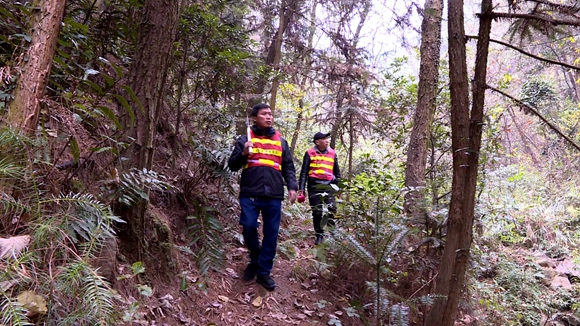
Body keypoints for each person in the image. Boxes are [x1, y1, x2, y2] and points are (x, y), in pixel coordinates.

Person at [228, 103, 297, 291]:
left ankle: (263, 272)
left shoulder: (281, 142)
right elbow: (232, 165)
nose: (269, 117)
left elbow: (289, 167)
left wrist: (292, 186)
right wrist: (243, 153)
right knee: (249, 226)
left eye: (270, 114)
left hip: (274, 194)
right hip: (250, 192)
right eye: (264, 114)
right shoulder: (245, 139)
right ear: (255, 118)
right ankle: (255, 257)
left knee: (271, 234)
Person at [298, 132, 341, 245]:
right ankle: (319, 234)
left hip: (329, 186)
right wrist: (301, 189)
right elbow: (304, 173)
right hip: (314, 187)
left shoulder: (332, 153)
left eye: (327, 138)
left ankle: (333, 232)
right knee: (317, 212)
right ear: (317, 142)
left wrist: (339, 187)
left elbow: (337, 172)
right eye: (324, 139)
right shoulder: (309, 153)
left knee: (332, 209)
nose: (327, 140)